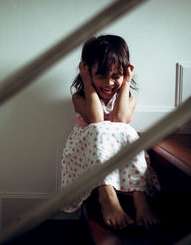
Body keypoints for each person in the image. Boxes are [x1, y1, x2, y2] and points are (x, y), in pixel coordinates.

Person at [60, 35, 160, 230]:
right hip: (85, 155)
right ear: (88, 73)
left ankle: (140, 199)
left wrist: (127, 82)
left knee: (128, 131)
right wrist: (87, 83)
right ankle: (107, 197)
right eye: (100, 76)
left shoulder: (128, 98)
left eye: (116, 76)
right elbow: (96, 120)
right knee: (99, 128)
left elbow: (121, 119)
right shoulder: (80, 98)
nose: (109, 83)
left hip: (117, 158)